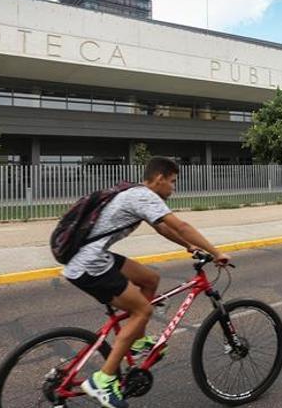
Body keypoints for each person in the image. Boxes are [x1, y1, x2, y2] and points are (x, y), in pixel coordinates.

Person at [63, 156, 231, 408]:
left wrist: (189, 246)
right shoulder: (145, 196)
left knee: (150, 279)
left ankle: (137, 342)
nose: (173, 188)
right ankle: (103, 380)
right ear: (160, 178)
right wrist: (216, 251)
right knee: (143, 309)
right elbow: (181, 225)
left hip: (92, 257)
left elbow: (163, 229)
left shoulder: (134, 192)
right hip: (90, 265)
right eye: (172, 182)